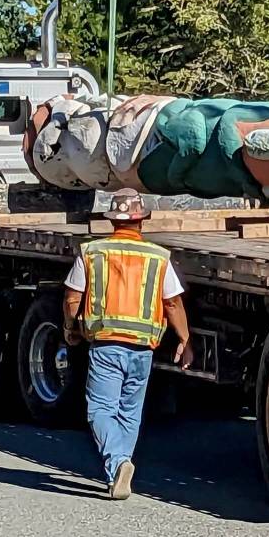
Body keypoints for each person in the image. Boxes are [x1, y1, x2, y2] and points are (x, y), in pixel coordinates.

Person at [62, 188, 193, 500]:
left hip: (106, 345)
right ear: (142, 221)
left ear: (111, 221)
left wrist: (71, 328)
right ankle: (117, 475)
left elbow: (72, 297)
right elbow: (172, 303)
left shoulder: (92, 252)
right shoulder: (158, 257)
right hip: (142, 348)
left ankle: (119, 463)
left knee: (100, 411)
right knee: (129, 413)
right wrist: (185, 339)